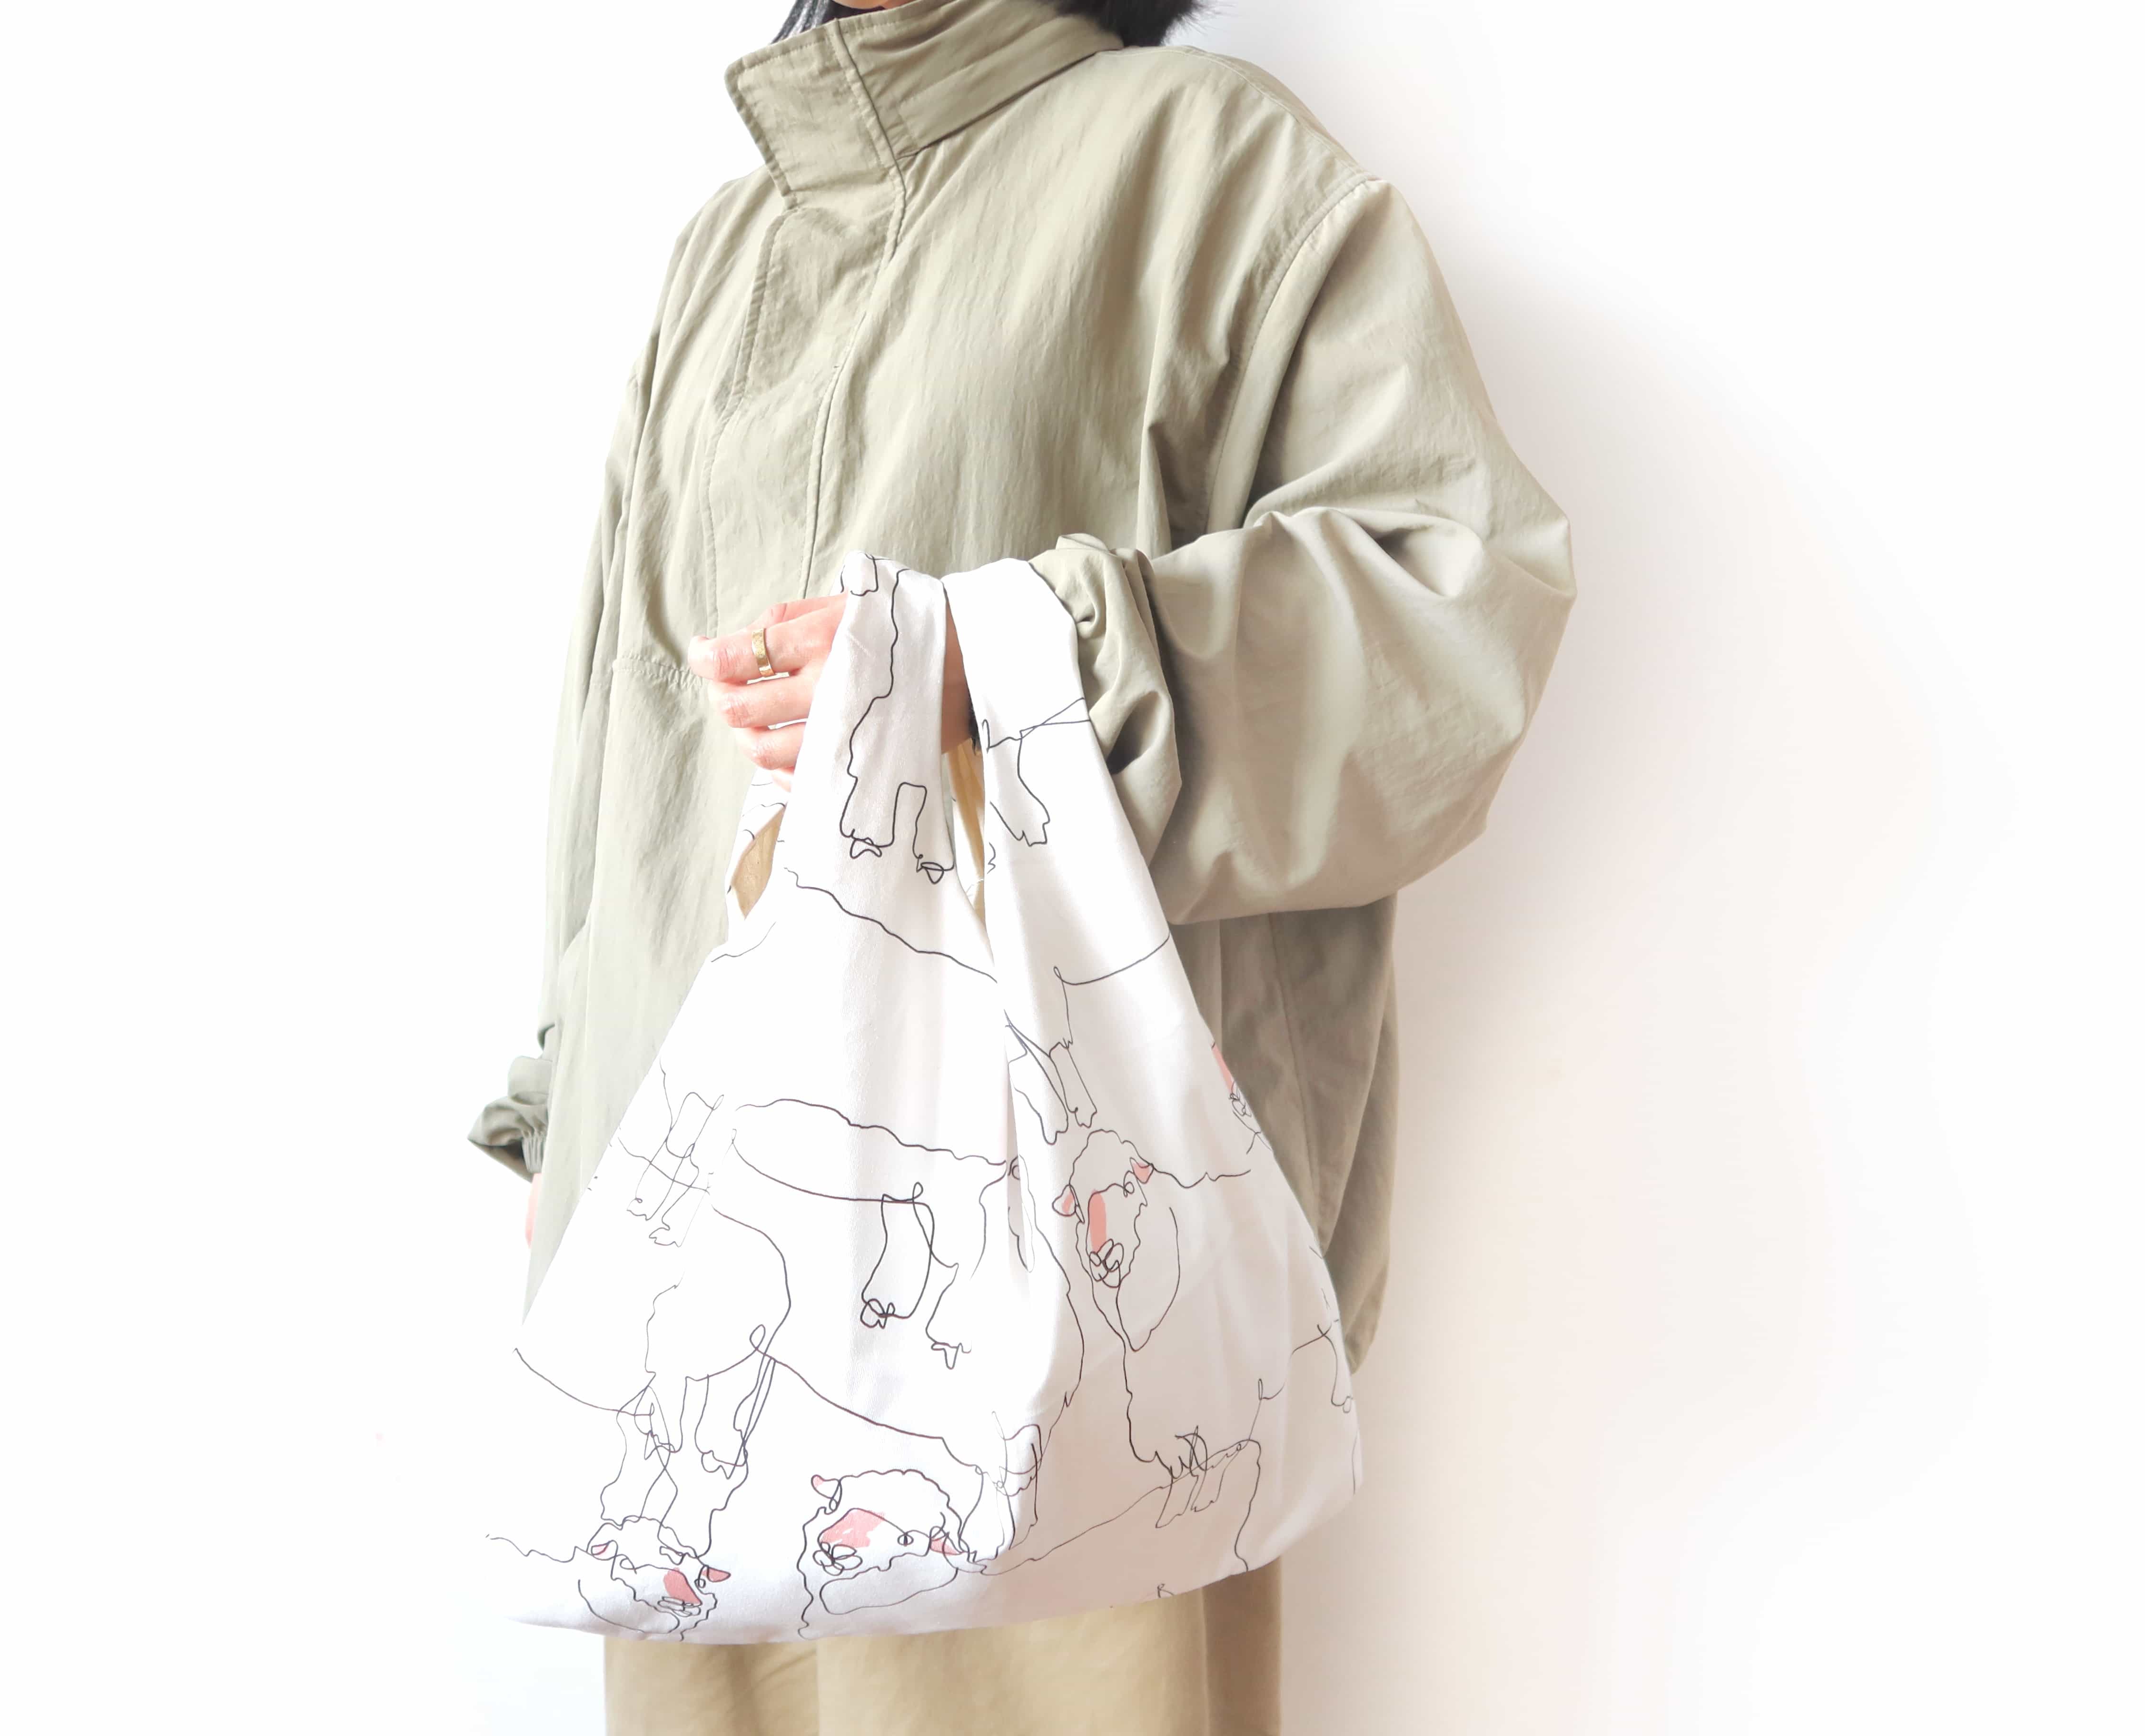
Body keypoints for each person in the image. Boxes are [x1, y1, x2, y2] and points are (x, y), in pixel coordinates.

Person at [468, 0, 1574, 1728]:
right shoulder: (730, 240)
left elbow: (1452, 620)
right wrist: (565, 1104)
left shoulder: (1204, 160)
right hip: (697, 1327)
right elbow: (624, 724)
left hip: (1051, 1317)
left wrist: (1012, 662)